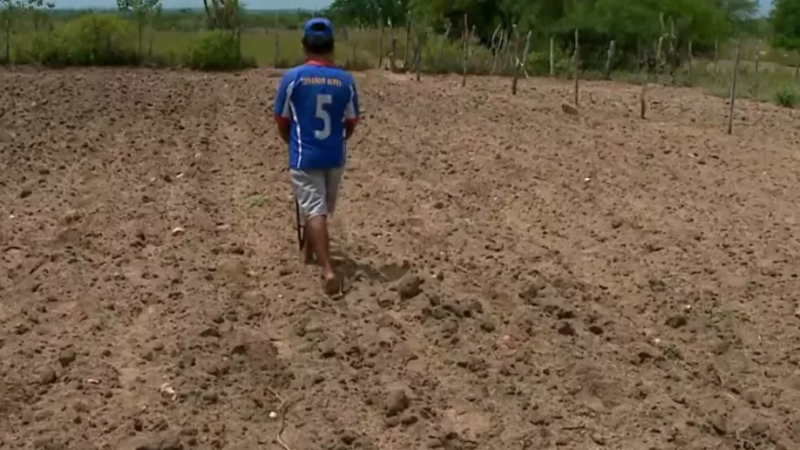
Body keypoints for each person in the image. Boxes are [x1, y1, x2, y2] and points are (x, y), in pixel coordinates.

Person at [273, 17, 360, 296]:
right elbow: (351, 122)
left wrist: (291, 142)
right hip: (334, 156)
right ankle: (311, 252)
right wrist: (338, 140)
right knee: (321, 209)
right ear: (332, 46)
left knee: (314, 210)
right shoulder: (345, 81)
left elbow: (281, 120)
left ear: (304, 46)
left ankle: (327, 270)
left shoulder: (293, 79)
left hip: (305, 156)